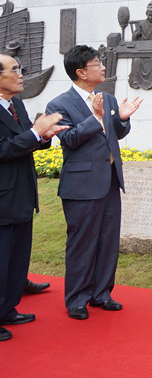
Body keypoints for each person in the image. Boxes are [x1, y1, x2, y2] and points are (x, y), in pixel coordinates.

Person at [46, 45, 143, 320]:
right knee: (82, 243)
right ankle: (77, 299)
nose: (102, 67)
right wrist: (96, 118)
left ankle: (102, 294)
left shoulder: (108, 99)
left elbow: (116, 134)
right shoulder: (59, 105)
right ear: (80, 72)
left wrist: (122, 118)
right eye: (96, 63)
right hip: (81, 186)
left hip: (110, 181)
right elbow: (70, 140)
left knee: (107, 241)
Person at [0, 56, 66, 341]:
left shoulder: (16, 105)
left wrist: (43, 137)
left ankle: (7, 309)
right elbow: (3, 149)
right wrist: (33, 133)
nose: (21, 74)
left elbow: (25, 141)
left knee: (16, 258)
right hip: (3, 198)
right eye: (14, 70)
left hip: (21, 195)